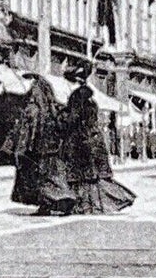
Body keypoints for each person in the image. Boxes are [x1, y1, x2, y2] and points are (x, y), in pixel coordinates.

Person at [59, 60, 135, 214]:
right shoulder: (91, 99)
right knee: (94, 178)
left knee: (80, 177)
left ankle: (83, 205)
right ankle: (97, 204)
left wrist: (61, 116)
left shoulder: (77, 98)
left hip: (80, 141)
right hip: (94, 140)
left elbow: (72, 119)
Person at [11, 74, 75, 215]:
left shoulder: (33, 110)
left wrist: (21, 149)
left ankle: (60, 202)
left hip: (38, 150)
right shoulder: (54, 108)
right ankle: (53, 204)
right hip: (55, 150)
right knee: (54, 179)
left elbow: (27, 132)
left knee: (41, 180)